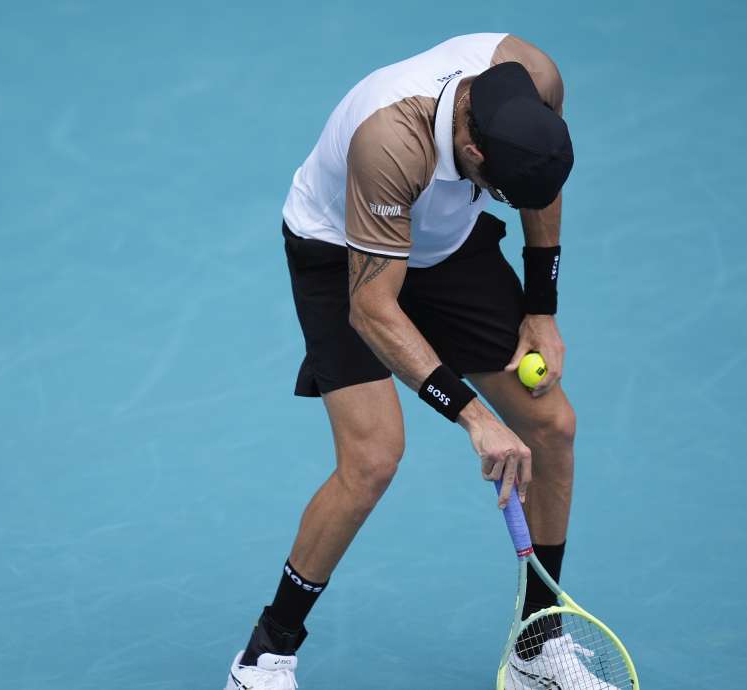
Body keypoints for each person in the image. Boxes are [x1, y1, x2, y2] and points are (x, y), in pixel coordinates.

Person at [224, 33, 579, 690]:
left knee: (551, 425)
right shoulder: (390, 138)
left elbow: (541, 176)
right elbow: (374, 310)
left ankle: (538, 641)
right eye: (498, 188)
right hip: (343, 259)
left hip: (445, 248)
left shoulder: (535, 78)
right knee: (373, 459)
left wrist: (541, 306)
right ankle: (265, 655)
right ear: (474, 152)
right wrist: (472, 416)